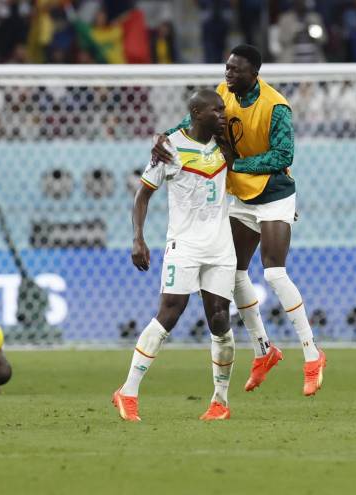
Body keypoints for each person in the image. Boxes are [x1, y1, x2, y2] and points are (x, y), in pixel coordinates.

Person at [151, 44, 326, 397]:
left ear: (254, 73)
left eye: (235, 70)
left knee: (275, 272)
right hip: (240, 197)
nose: (228, 74)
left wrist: (236, 166)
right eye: (227, 68)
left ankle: (312, 355)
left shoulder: (276, 106)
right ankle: (264, 350)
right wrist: (165, 138)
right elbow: (192, 122)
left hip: (274, 193)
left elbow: (283, 155)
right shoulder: (221, 94)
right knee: (235, 273)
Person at [113, 89, 236, 422]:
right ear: (197, 113)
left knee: (220, 319)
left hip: (221, 247)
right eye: (216, 110)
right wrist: (138, 238)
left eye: (224, 110)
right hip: (184, 245)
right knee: (169, 312)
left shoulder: (227, 144)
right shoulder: (168, 147)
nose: (223, 115)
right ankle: (128, 391)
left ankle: (220, 401)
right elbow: (142, 196)